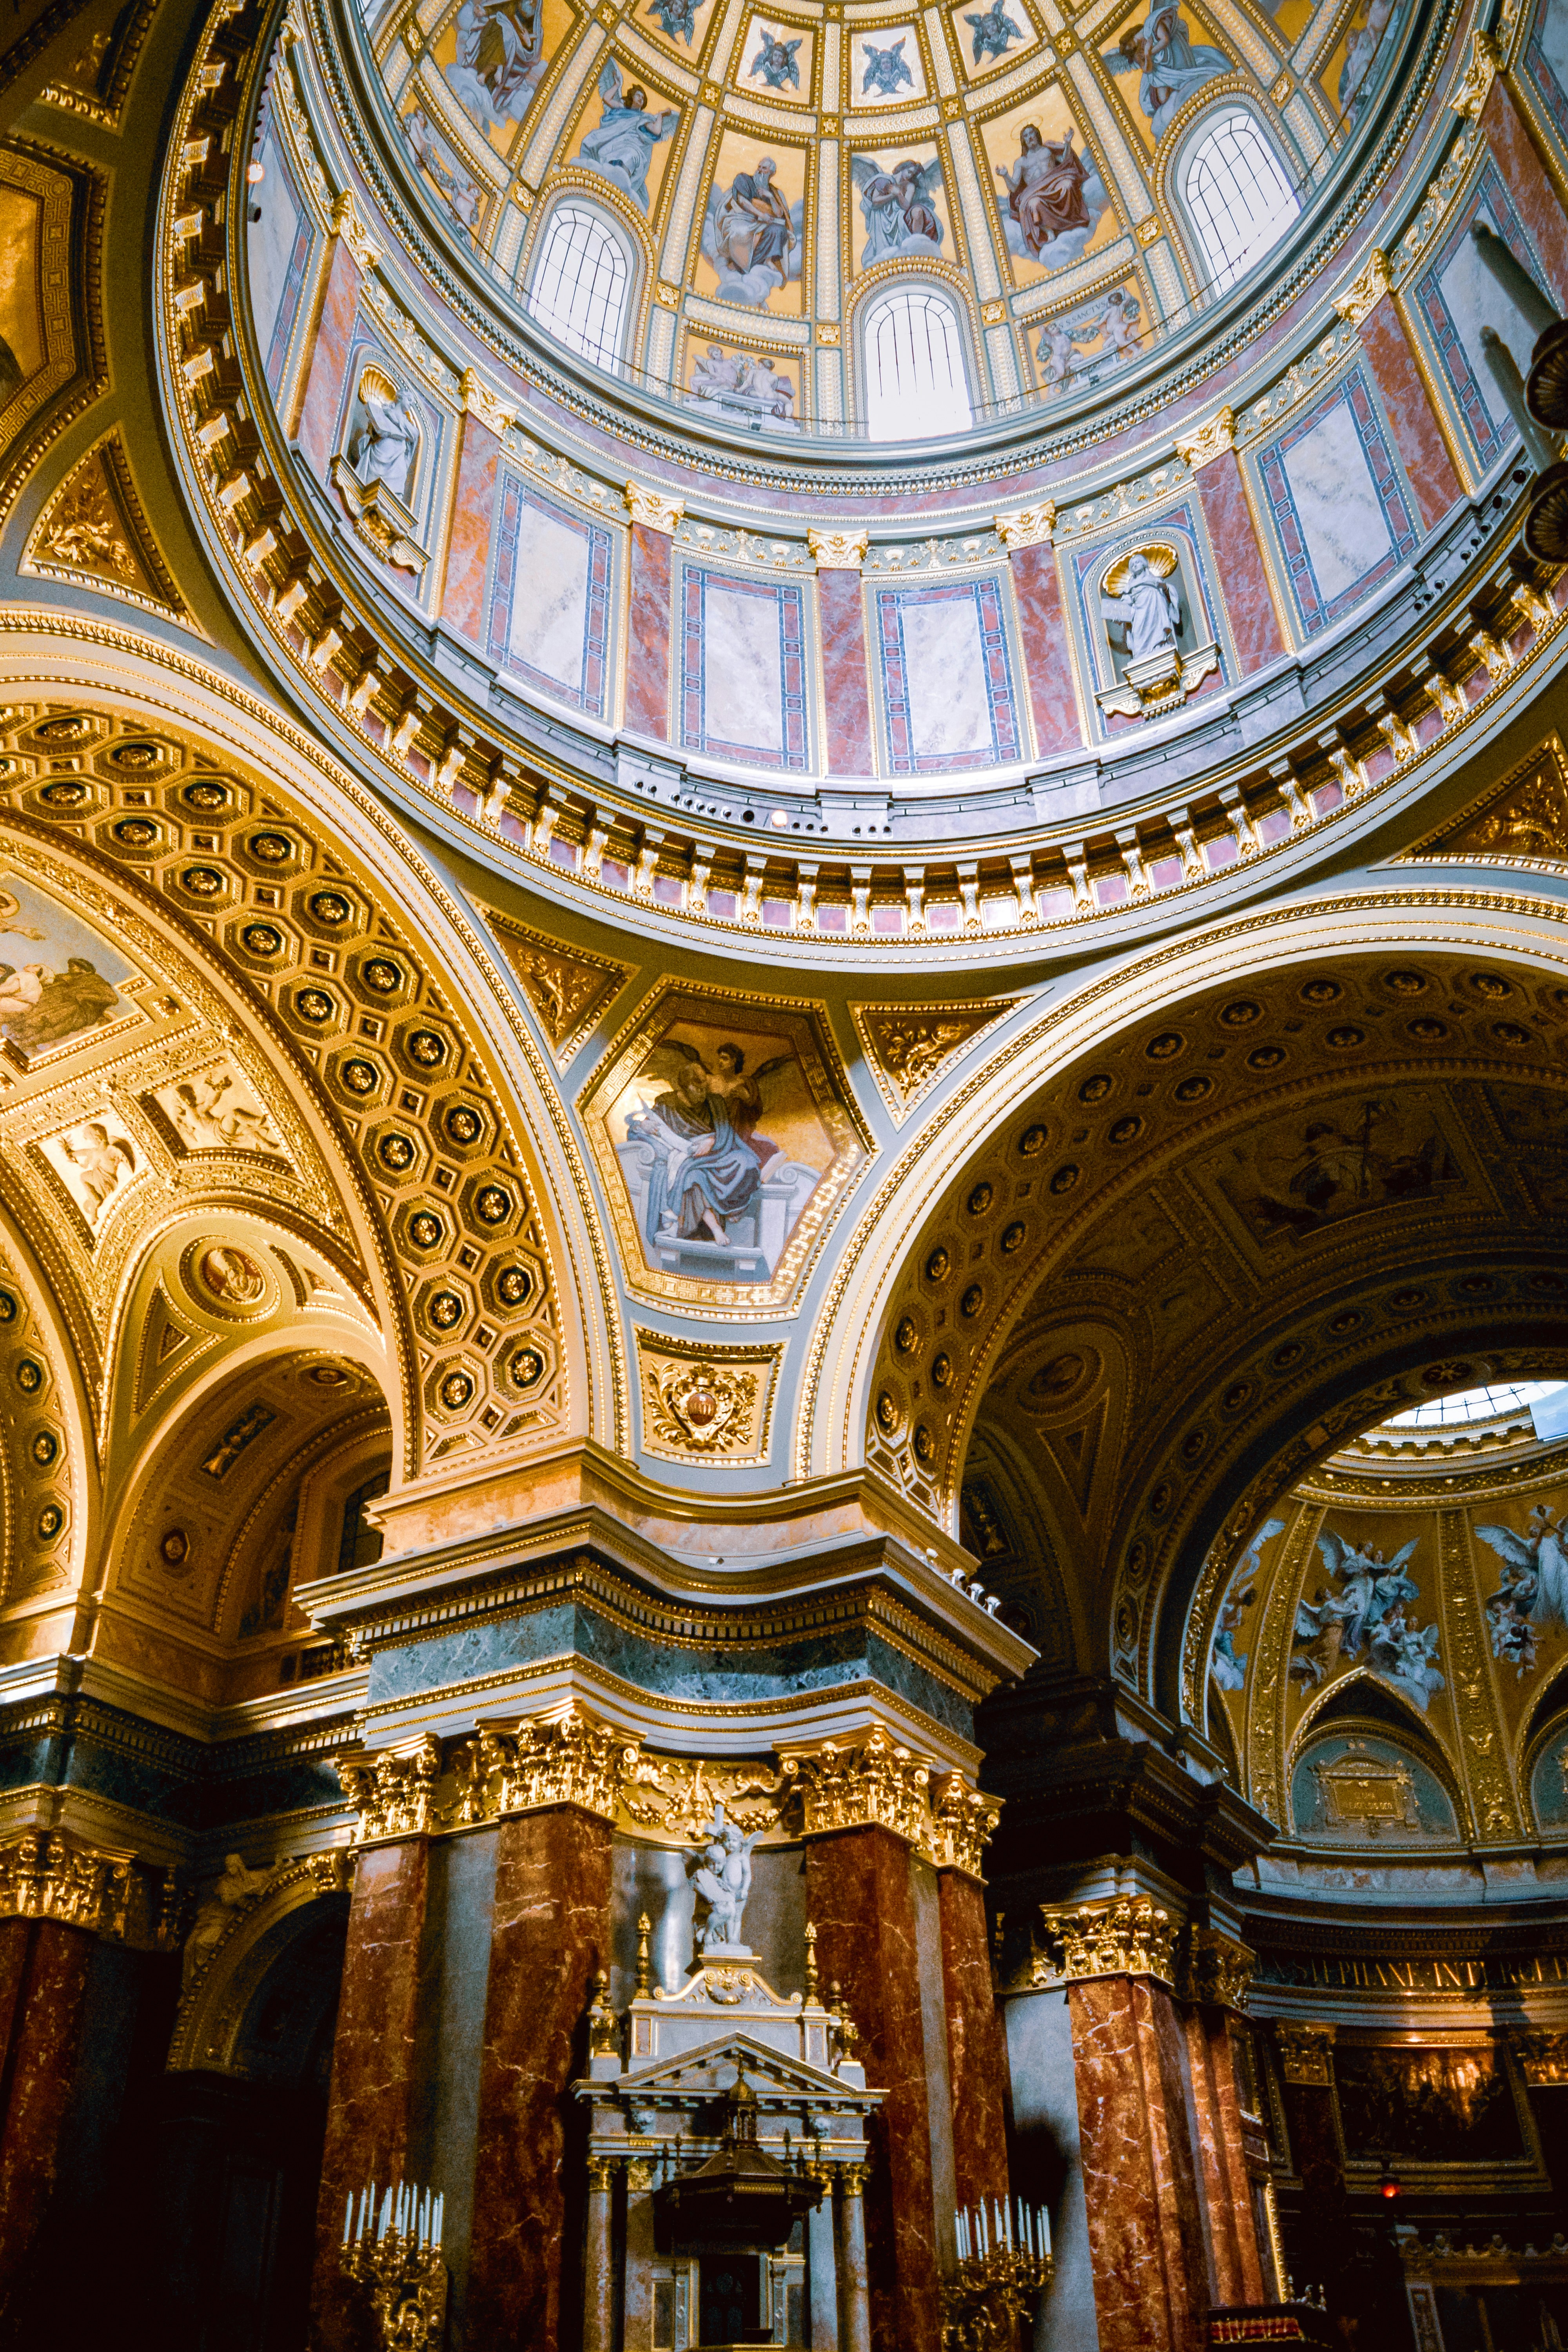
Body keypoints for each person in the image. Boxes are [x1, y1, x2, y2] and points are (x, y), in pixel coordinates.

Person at [997, 125, 1089, 260]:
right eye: (1026, 136)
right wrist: (1005, 175)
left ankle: (1073, 220)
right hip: (1036, 192)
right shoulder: (1021, 162)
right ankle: (1046, 229)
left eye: (1032, 134)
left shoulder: (1048, 151)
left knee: (1068, 185)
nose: (1029, 138)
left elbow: (1065, 160)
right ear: (1023, 141)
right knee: (1034, 204)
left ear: (1037, 135)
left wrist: (1068, 143)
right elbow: (1014, 187)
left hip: (1055, 182)